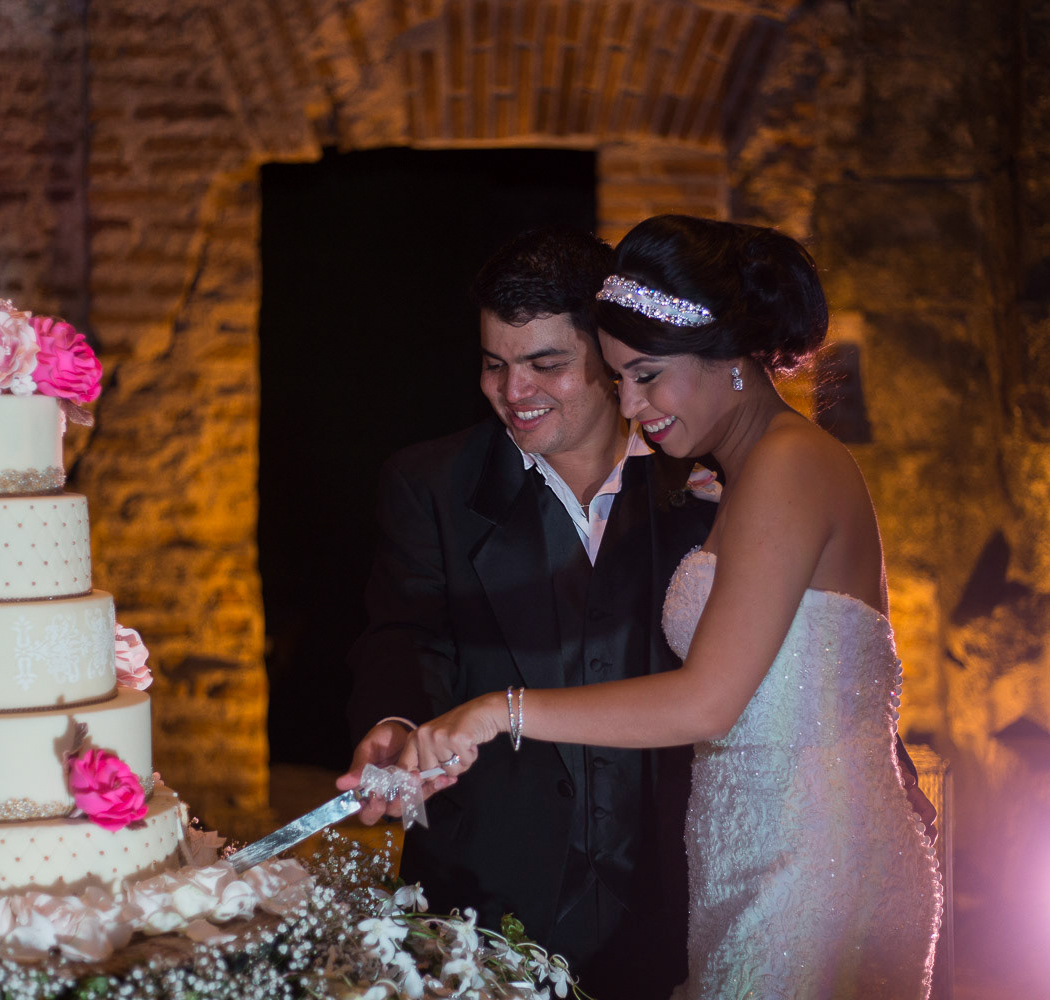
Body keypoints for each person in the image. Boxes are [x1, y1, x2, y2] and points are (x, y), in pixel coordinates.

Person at [402, 216, 943, 999]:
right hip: (751, 849)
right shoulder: (743, 478)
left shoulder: (788, 466)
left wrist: (500, 711)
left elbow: (706, 703)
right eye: (619, 377)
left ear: (729, 357)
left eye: (647, 375)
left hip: (808, 860)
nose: (630, 401)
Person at [339, 225, 716, 999]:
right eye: (494, 364)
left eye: (546, 365)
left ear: (610, 358)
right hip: (488, 890)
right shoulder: (429, 483)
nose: (514, 393)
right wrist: (397, 721)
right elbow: (404, 631)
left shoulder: (703, 484)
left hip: (675, 891)